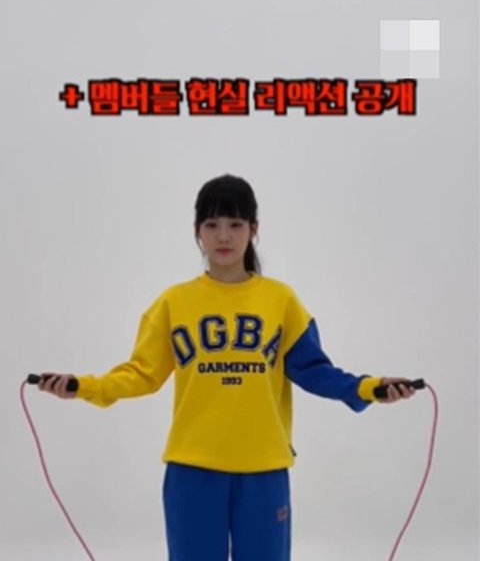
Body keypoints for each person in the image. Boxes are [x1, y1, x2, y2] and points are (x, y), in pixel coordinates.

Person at [38, 173, 416, 561]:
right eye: (212, 224)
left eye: (235, 224)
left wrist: (369, 388)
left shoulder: (281, 301)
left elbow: (315, 370)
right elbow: (141, 374)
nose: (223, 236)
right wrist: (82, 386)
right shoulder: (173, 303)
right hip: (192, 470)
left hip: (264, 468)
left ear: (254, 229)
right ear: (197, 231)